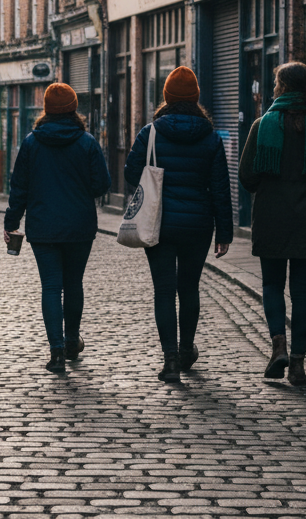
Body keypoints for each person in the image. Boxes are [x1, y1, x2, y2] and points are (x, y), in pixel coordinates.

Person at [239, 61, 306, 386]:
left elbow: (246, 177)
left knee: (272, 286)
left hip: (271, 219)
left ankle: (278, 347)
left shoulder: (262, 125)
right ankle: (298, 364)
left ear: (280, 87)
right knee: (302, 293)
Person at [125, 67, 233, 382]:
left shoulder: (151, 133)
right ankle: (187, 350)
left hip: (158, 223)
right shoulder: (211, 137)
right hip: (198, 224)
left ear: (167, 97)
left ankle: (170, 360)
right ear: (196, 97)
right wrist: (224, 232)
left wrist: (154, 177)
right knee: (189, 288)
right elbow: (220, 188)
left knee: (163, 290)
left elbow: (131, 173)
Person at [5, 82, 111, 374]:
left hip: (43, 227)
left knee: (51, 286)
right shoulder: (87, 142)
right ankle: (72, 340)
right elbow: (102, 185)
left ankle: (56, 353)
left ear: (46, 110)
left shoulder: (31, 142)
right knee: (73, 283)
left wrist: (11, 222)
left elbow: (19, 188)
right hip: (79, 226)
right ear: (74, 109)